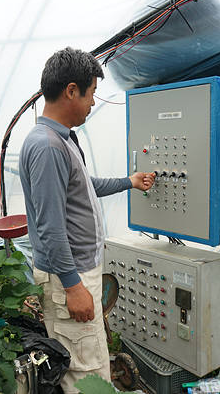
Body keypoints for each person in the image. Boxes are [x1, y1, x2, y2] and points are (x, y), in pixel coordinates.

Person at [19, 47, 155, 393]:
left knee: (88, 360)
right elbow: (51, 227)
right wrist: (74, 287)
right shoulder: (49, 147)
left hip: (77, 273)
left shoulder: (59, 141)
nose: (93, 103)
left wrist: (130, 182)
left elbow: (84, 188)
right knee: (87, 374)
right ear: (71, 91)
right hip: (72, 277)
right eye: (92, 93)